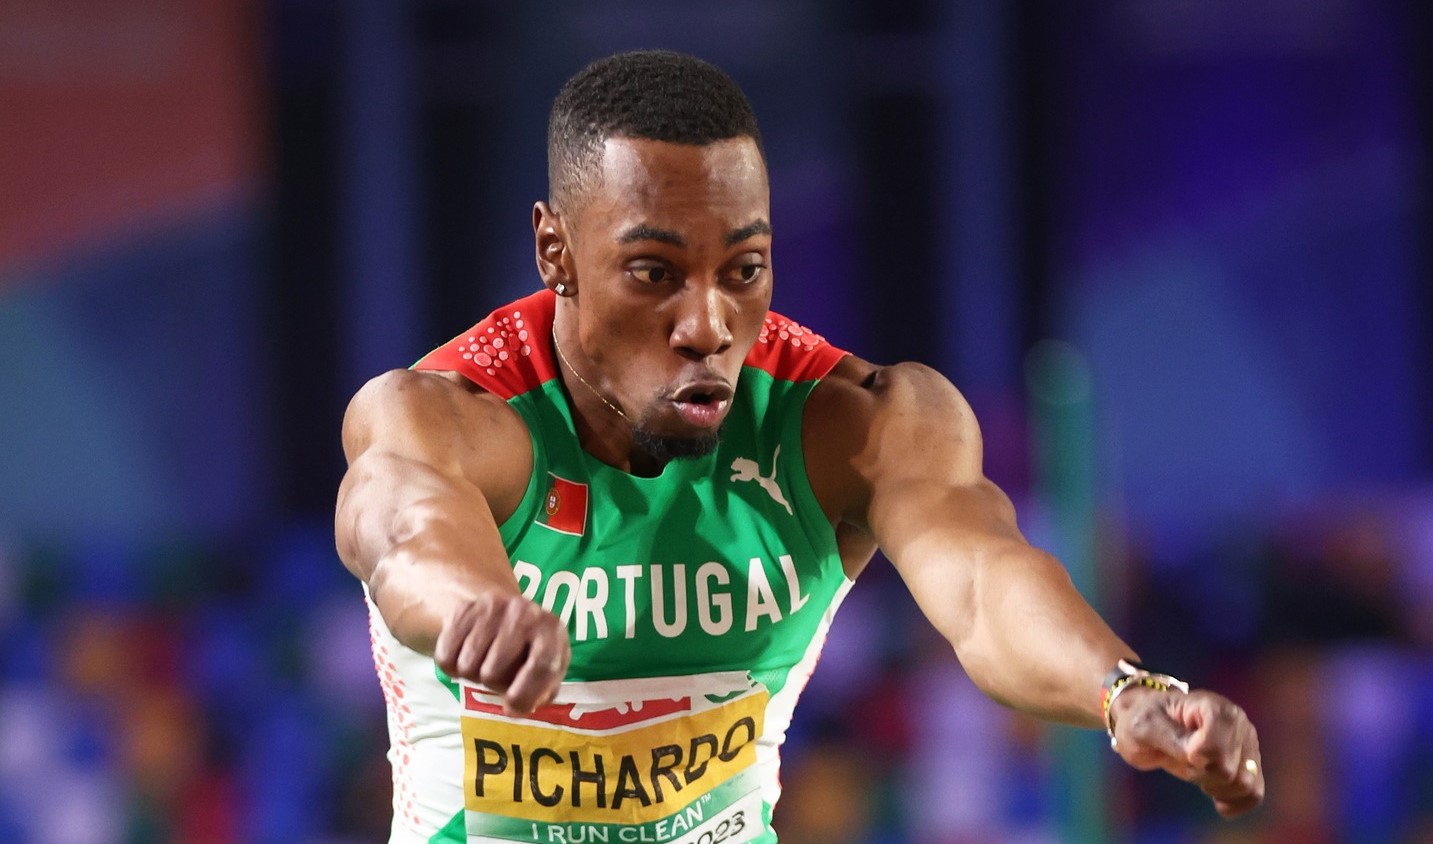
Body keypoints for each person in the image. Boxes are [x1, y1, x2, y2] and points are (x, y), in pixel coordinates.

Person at [335, 49, 1264, 844]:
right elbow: (405, 533)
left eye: (743, 270)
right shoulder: (448, 412)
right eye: (653, 273)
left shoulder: (852, 422)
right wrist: (476, 610)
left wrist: (1123, 690)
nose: (707, 325)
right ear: (556, 252)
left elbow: (984, 583)